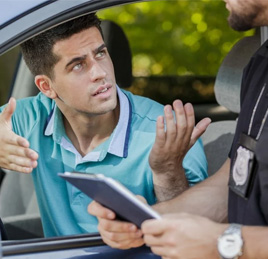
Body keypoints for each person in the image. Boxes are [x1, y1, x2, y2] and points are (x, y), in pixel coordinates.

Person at [0, 13, 210, 237]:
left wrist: (168, 172)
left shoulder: (166, 130)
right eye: (78, 65)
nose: (100, 73)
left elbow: (194, 236)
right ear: (46, 87)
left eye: (100, 53)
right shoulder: (32, 115)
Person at [88, 0, 268, 257]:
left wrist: (223, 242)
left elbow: (222, 239)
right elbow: (231, 187)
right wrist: (147, 218)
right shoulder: (261, 65)